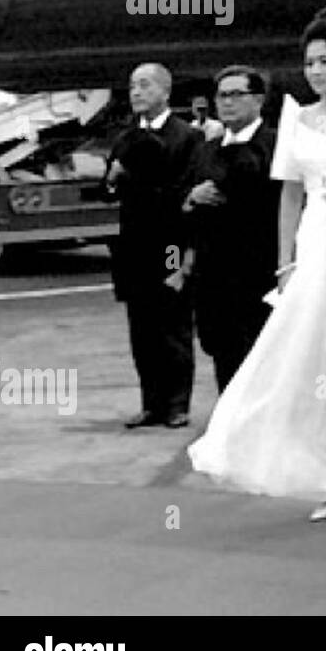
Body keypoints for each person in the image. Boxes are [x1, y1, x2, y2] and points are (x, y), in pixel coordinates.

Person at [188, 4, 326, 525]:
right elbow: (288, 195)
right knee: (306, 364)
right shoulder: (297, 119)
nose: (315, 71)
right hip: (313, 248)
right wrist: (285, 263)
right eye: (309, 63)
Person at [106, 63, 203, 429]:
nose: (136, 93)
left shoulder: (187, 137)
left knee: (172, 322)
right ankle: (152, 402)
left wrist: (136, 180)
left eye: (144, 86)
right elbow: (107, 186)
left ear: (165, 91)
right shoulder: (126, 137)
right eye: (132, 86)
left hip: (170, 243)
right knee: (141, 328)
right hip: (134, 244)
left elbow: (183, 189)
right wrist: (114, 180)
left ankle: (178, 403)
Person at [182, 66, 279, 392]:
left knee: (262, 359)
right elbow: (184, 201)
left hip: (258, 269)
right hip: (213, 273)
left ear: (258, 100)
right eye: (222, 95)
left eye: (237, 94)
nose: (228, 102)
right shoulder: (205, 149)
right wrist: (192, 198)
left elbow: (250, 181)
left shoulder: (274, 145)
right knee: (223, 354)